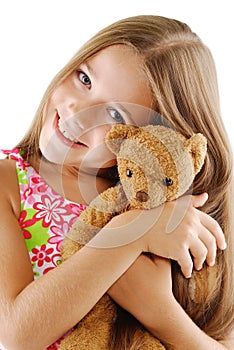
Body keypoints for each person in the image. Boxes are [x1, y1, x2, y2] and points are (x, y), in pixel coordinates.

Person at [0, 14, 233, 350]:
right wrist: (131, 233)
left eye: (114, 115)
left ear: (152, 138)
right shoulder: (9, 183)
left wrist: (161, 312)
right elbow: (17, 333)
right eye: (84, 78)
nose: (77, 111)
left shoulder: (172, 212)